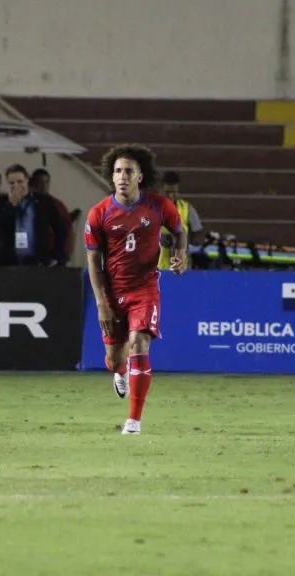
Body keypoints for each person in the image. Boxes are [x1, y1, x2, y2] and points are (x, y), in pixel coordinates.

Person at [83, 144, 186, 436]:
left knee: (139, 343)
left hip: (145, 288)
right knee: (115, 360)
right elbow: (93, 261)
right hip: (112, 292)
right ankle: (120, 372)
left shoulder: (159, 206)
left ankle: (134, 421)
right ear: (111, 176)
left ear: (140, 176)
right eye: (118, 171)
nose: (122, 176)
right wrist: (101, 303)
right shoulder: (99, 213)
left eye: (129, 171)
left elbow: (180, 231)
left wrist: (181, 254)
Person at [0, 164, 68, 266]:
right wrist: (10, 206)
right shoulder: (2, 202)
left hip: (38, 260)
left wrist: (56, 254)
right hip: (11, 261)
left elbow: (60, 228)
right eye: (12, 183)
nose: (16, 186)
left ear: (27, 180)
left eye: (20, 181)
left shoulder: (43, 201)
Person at [157, 171, 204, 270]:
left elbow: (199, 236)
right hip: (157, 270)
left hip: (182, 269)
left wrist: (183, 242)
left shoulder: (187, 208)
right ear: (160, 190)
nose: (171, 196)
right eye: (167, 192)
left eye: (174, 192)